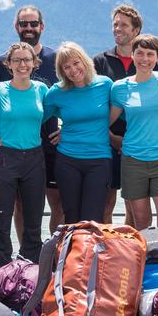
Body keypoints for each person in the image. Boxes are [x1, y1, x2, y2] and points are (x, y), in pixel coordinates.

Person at [0, 4, 63, 233]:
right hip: (11, 149)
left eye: (33, 23)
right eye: (23, 24)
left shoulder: (56, 59)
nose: (28, 28)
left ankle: (51, 257)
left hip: (48, 145)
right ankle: (23, 261)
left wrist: (67, 129)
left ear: (42, 26)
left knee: (56, 205)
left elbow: (71, 97)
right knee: (19, 206)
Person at [108, 34, 158, 231]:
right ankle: (144, 263)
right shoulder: (120, 87)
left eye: (150, 54)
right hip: (133, 160)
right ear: (132, 55)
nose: (145, 59)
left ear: (157, 57)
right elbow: (105, 122)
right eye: (140, 53)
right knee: (141, 223)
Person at [0, 42, 48, 270]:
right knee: (1, 218)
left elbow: (53, 113)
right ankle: (0, 270)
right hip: (6, 157)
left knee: (33, 219)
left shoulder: (41, 90)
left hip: (35, 157)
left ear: (34, 63)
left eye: (27, 60)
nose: (22, 64)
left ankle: (29, 269)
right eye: (17, 60)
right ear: (8, 64)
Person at [46, 42, 114, 224]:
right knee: (71, 216)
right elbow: (37, 118)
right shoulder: (57, 92)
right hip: (67, 160)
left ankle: (90, 253)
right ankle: (70, 253)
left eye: (76, 63)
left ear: (85, 61)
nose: (73, 70)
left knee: (93, 218)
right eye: (66, 67)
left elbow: (123, 114)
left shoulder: (105, 85)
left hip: (99, 160)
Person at [92, 4, 141, 223]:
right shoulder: (99, 62)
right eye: (115, 24)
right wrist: (112, 138)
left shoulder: (149, 62)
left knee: (134, 206)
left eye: (123, 25)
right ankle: (106, 254)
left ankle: (131, 254)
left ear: (136, 30)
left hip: (139, 144)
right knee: (105, 206)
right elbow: (93, 105)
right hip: (106, 143)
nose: (117, 29)